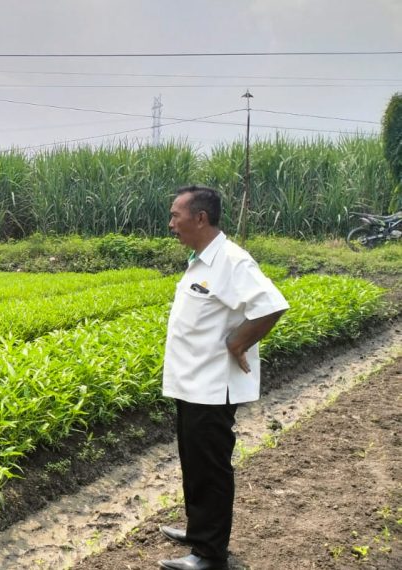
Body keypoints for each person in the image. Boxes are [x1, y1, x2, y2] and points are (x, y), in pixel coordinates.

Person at [157, 185, 289, 570]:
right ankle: (200, 531)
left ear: (200, 218)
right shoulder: (202, 259)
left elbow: (271, 305)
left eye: (175, 216)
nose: (171, 224)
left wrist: (238, 342)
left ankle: (210, 555)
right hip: (192, 383)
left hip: (213, 388)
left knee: (210, 469)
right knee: (194, 463)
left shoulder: (231, 260)